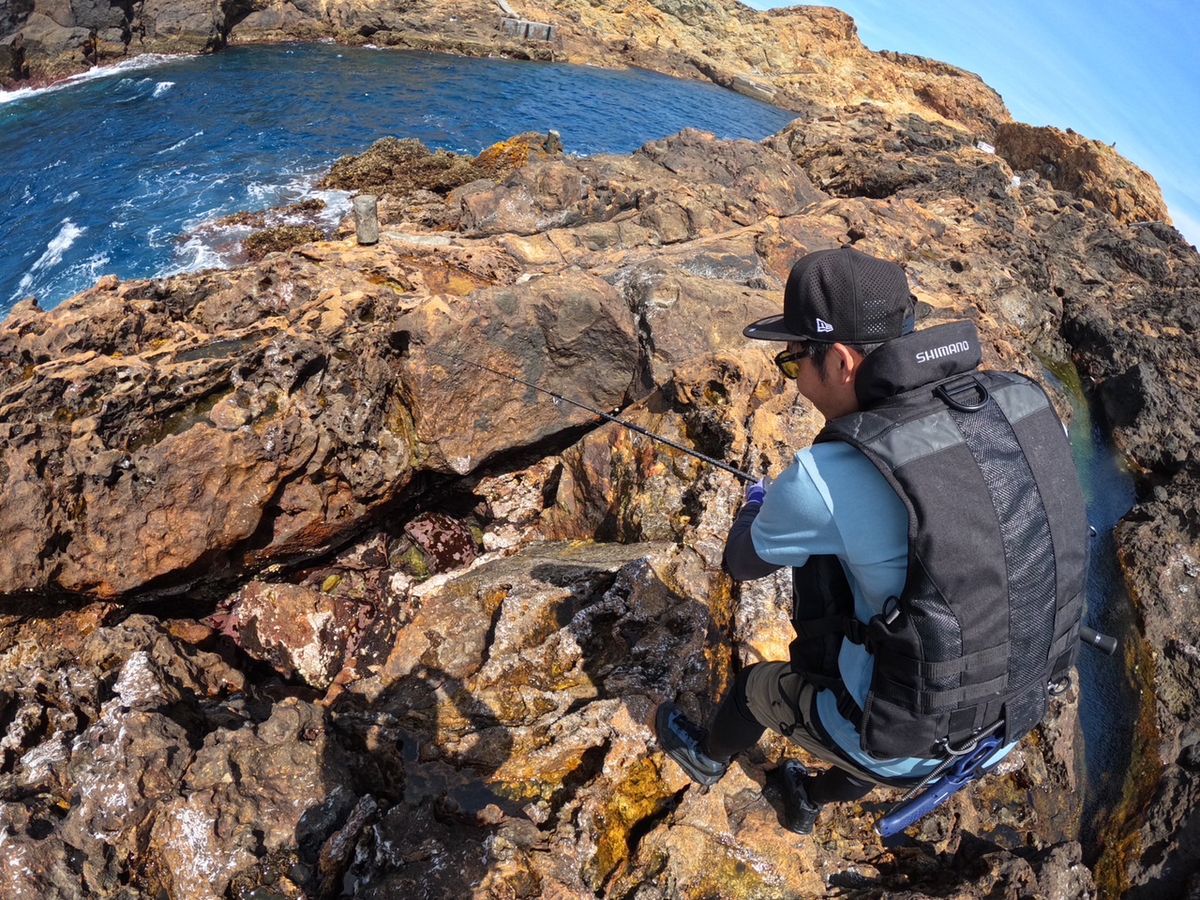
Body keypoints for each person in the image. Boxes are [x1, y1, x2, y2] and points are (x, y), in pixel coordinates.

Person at [655, 247, 1088, 834]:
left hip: (911, 740)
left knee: (761, 687)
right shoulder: (1018, 404)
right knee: (900, 688)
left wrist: (763, 503)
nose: (792, 375)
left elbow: (741, 561)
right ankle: (809, 798)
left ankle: (705, 758)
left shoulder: (823, 478)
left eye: (792, 362)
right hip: (1010, 716)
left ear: (839, 362)